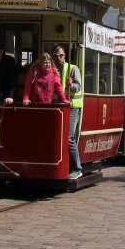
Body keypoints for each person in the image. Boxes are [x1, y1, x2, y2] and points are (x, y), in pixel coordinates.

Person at [53, 44, 84, 180]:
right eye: (55, 55)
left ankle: (77, 168)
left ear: (64, 55)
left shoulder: (72, 68)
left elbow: (78, 87)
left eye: (60, 55)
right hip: (57, 107)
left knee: (68, 137)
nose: (58, 58)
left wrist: (71, 84)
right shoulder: (52, 69)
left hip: (72, 107)